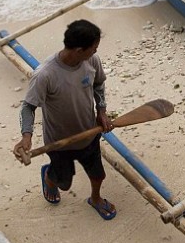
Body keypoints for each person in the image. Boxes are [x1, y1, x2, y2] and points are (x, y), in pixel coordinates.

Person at [12, 19, 117, 220]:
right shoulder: (45, 75)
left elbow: (99, 85)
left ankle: (95, 199)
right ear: (78, 50)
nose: (96, 52)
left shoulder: (91, 61)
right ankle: (49, 178)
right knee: (63, 182)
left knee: (98, 175)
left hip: (88, 134)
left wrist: (101, 111)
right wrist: (26, 136)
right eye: (93, 48)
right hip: (59, 142)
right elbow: (28, 106)